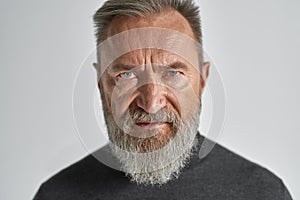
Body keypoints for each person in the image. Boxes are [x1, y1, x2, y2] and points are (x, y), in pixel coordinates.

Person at [34, 0, 292, 199]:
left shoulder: (262, 193)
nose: (151, 103)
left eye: (172, 73)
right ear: (102, 84)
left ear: (202, 80)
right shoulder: (57, 195)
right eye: (126, 74)